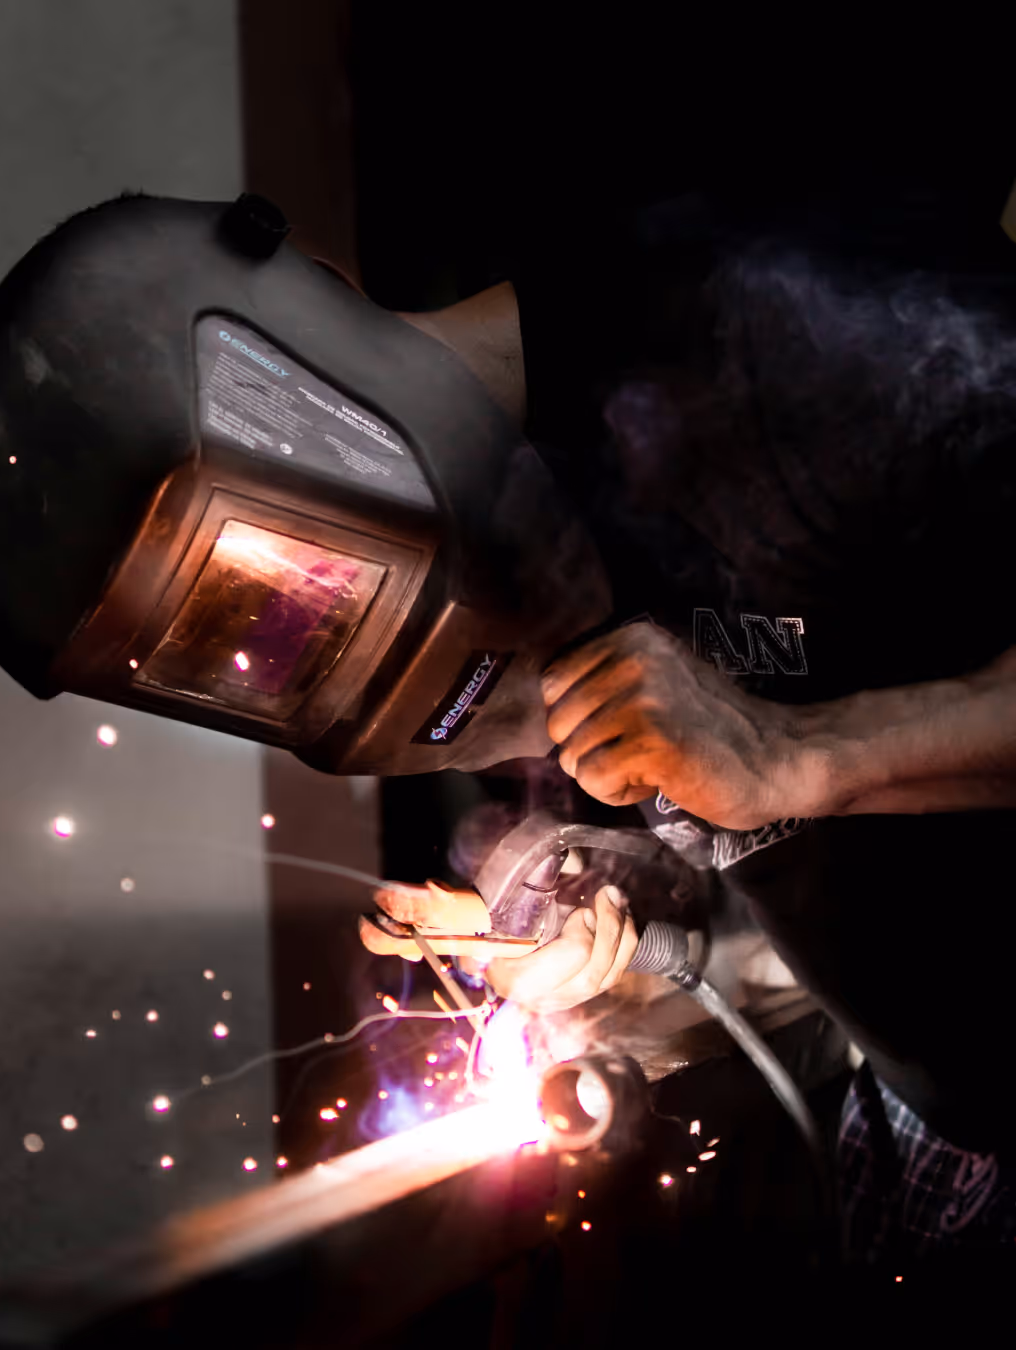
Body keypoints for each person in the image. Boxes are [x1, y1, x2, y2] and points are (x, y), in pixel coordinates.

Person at [360, 175, 1016, 1274]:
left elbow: (779, 763)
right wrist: (620, 956)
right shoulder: (551, 539)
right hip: (922, 1128)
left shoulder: (806, 315)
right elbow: (766, 896)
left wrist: (794, 757)